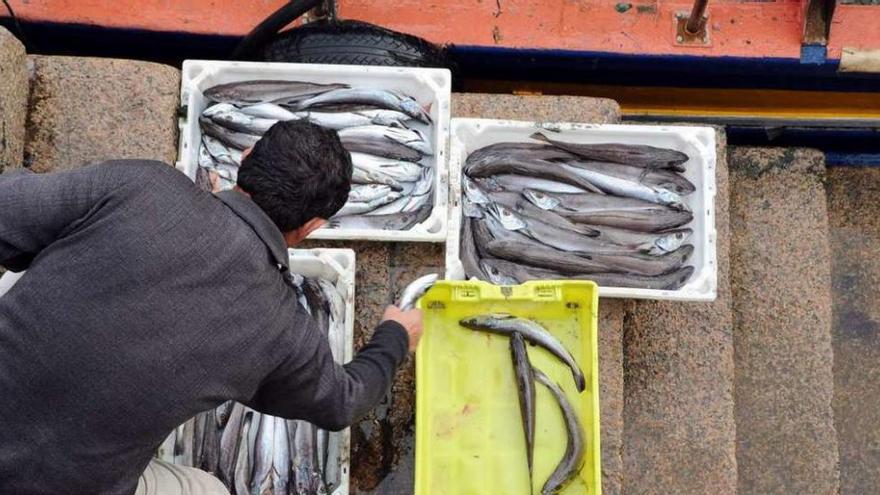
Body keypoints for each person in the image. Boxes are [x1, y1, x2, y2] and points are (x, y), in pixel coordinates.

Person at [0, 120, 423, 494]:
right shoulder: (281, 328)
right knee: (208, 489)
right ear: (313, 226)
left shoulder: (143, 185)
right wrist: (396, 336)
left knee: (38, 258)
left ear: (247, 156)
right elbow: (342, 402)